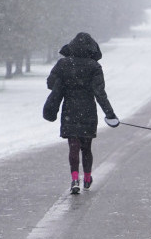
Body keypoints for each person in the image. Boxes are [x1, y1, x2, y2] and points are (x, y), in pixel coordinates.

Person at [43, 32, 119, 194]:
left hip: (70, 110)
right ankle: (88, 177)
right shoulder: (94, 67)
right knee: (86, 147)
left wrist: (63, 83)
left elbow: (50, 84)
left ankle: (74, 178)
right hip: (88, 111)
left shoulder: (63, 64)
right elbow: (100, 93)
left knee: (73, 146)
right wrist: (110, 114)